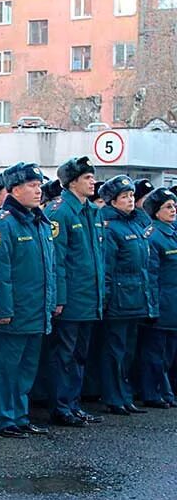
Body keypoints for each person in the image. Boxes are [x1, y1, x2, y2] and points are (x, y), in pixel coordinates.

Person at [0, 163, 56, 438]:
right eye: (32, 186)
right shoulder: (2, 224)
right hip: (13, 312)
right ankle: (3, 419)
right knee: (6, 369)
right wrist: (2, 309)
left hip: (35, 310)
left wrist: (50, 304)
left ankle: (19, 415)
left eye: (39, 186)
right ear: (15, 190)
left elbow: (50, 268)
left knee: (26, 369)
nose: (38, 191)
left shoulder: (39, 221)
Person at [44, 157, 105, 427]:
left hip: (89, 297)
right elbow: (57, 260)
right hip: (71, 298)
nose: (92, 182)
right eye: (87, 178)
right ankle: (60, 406)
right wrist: (59, 298)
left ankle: (73, 403)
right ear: (71, 182)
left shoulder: (91, 211)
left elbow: (96, 258)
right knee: (64, 354)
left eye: (92, 177)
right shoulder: (61, 211)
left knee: (80, 354)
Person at [97, 175, 156, 415]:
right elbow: (108, 267)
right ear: (112, 201)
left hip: (136, 296)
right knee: (115, 350)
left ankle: (125, 394)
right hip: (120, 298)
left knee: (128, 350)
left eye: (132, 195)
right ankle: (113, 396)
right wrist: (107, 298)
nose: (130, 200)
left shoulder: (135, 223)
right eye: (124, 196)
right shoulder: (110, 227)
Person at [141, 188, 177, 407]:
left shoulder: (172, 233)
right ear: (156, 212)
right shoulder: (153, 236)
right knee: (155, 353)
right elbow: (150, 276)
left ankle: (165, 391)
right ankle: (153, 392)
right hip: (162, 304)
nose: (173, 210)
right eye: (168, 207)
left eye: (174, 206)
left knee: (168, 354)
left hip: (173, 304)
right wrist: (152, 307)